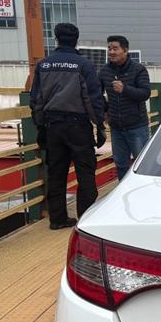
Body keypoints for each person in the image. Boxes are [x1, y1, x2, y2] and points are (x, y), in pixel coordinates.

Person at [29, 23, 106, 230]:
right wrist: (99, 125)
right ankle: (86, 220)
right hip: (78, 126)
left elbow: (36, 100)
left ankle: (57, 219)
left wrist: (40, 126)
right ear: (76, 40)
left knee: (56, 174)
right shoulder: (83, 64)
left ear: (56, 38)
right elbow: (93, 98)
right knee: (85, 173)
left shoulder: (44, 65)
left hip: (53, 126)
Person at [100, 35, 151, 180]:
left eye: (115, 48)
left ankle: (143, 191)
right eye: (109, 48)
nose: (111, 52)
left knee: (142, 165)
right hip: (116, 128)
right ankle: (123, 191)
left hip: (137, 127)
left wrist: (125, 89)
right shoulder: (105, 71)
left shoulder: (138, 69)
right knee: (121, 164)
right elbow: (96, 93)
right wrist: (105, 110)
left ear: (125, 50)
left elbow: (145, 93)